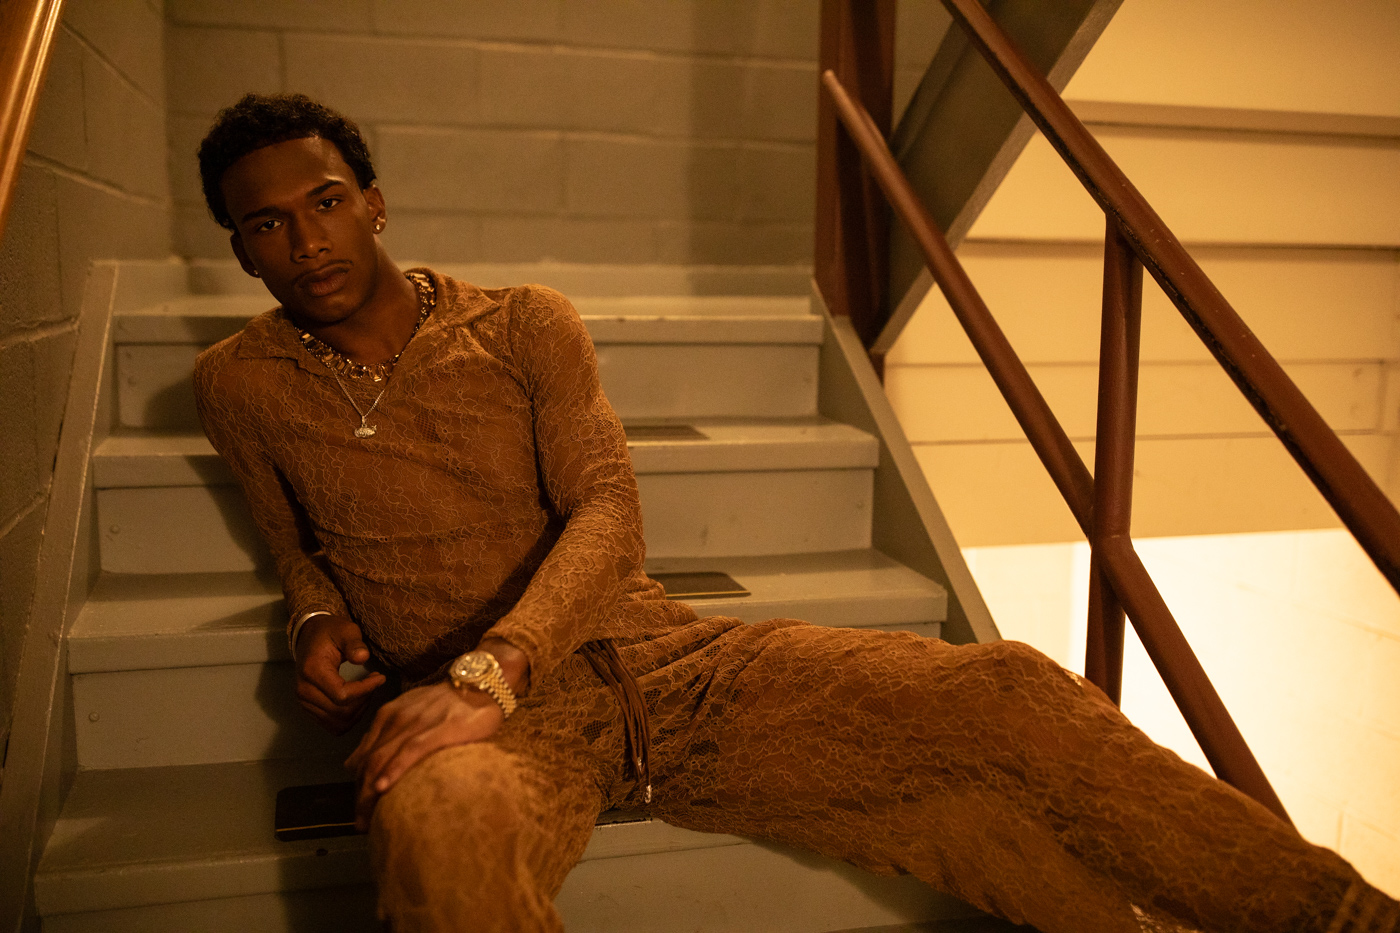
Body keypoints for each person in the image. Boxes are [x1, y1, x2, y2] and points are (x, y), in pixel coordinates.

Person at [191, 93, 1397, 933]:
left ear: (375, 203)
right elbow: (299, 547)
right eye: (266, 223)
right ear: (242, 251)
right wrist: (313, 621)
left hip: (670, 666)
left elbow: (607, 510)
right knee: (435, 831)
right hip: (499, 735)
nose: (304, 240)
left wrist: (496, 663)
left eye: (324, 201)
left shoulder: (520, 324)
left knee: (1002, 692)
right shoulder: (239, 386)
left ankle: (1337, 918)